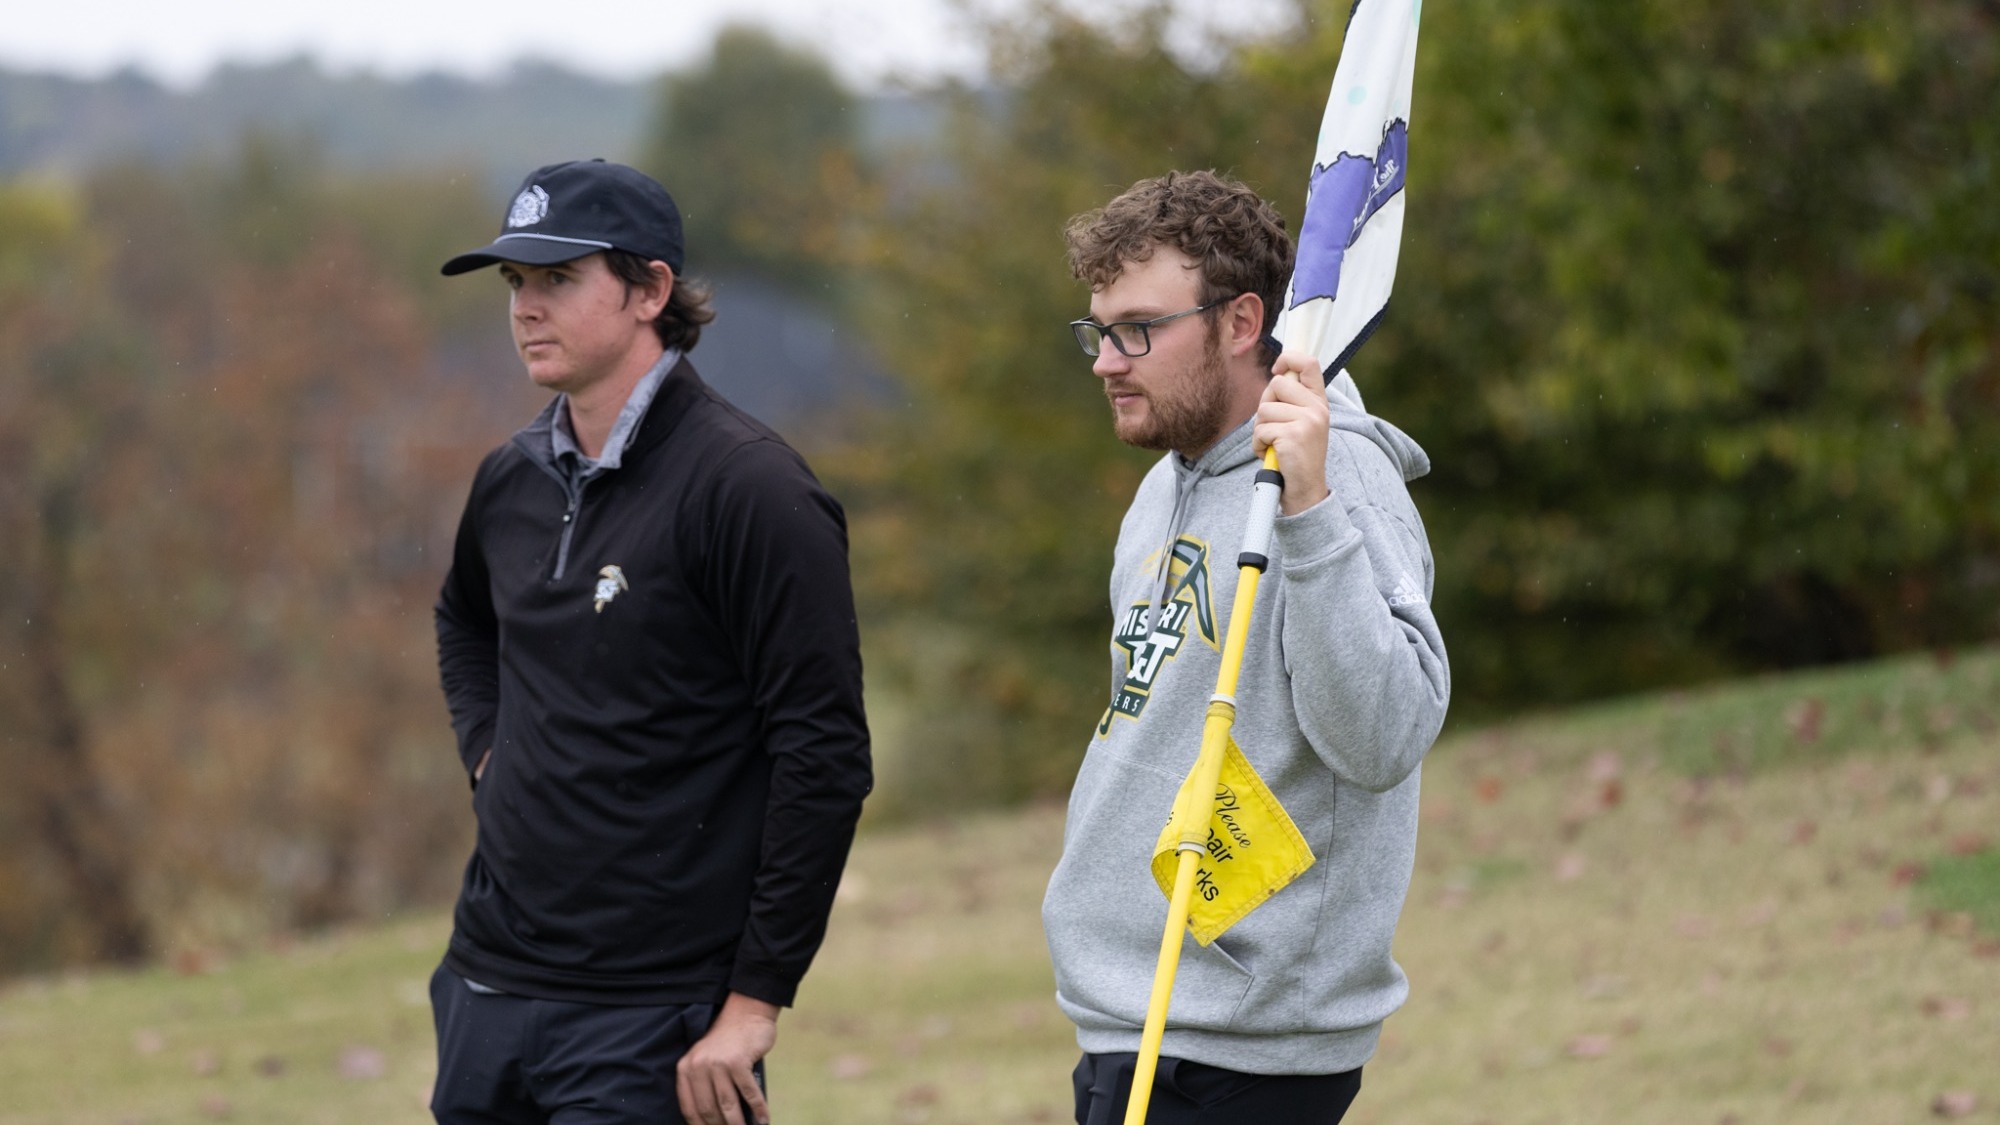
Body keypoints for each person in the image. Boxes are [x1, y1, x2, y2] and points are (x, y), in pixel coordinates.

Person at [429, 158, 871, 1125]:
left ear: (650, 290)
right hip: (487, 991)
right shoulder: (509, 478)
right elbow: (462, 619)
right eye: (516, 283)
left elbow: (825, 754)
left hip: (653, 1019)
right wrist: (489, 754)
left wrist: (754, 1001)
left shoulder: (751, 489)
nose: (526, 308)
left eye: (558, 278)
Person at [1041, 169, 1450, 1124]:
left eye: (1137, 329)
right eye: (1097, 331)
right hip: (1128, 1019)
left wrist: (1307, 508)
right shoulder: (1161, 488)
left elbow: (1386, 734)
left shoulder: (1339, 473)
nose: (1107, 360)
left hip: (1241, 1045)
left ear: (1239, 321)